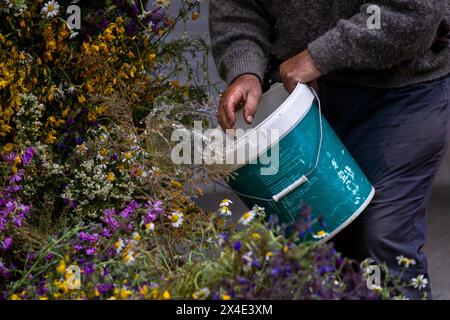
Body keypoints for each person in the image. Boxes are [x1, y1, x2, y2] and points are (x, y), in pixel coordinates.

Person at [209, 0, 450, 299]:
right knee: (319, 247)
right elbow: (239, 8)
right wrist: (246, 70)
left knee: (382, 242)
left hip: (400, 93)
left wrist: (320, 55)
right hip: (301, 101)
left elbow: (416, 12)